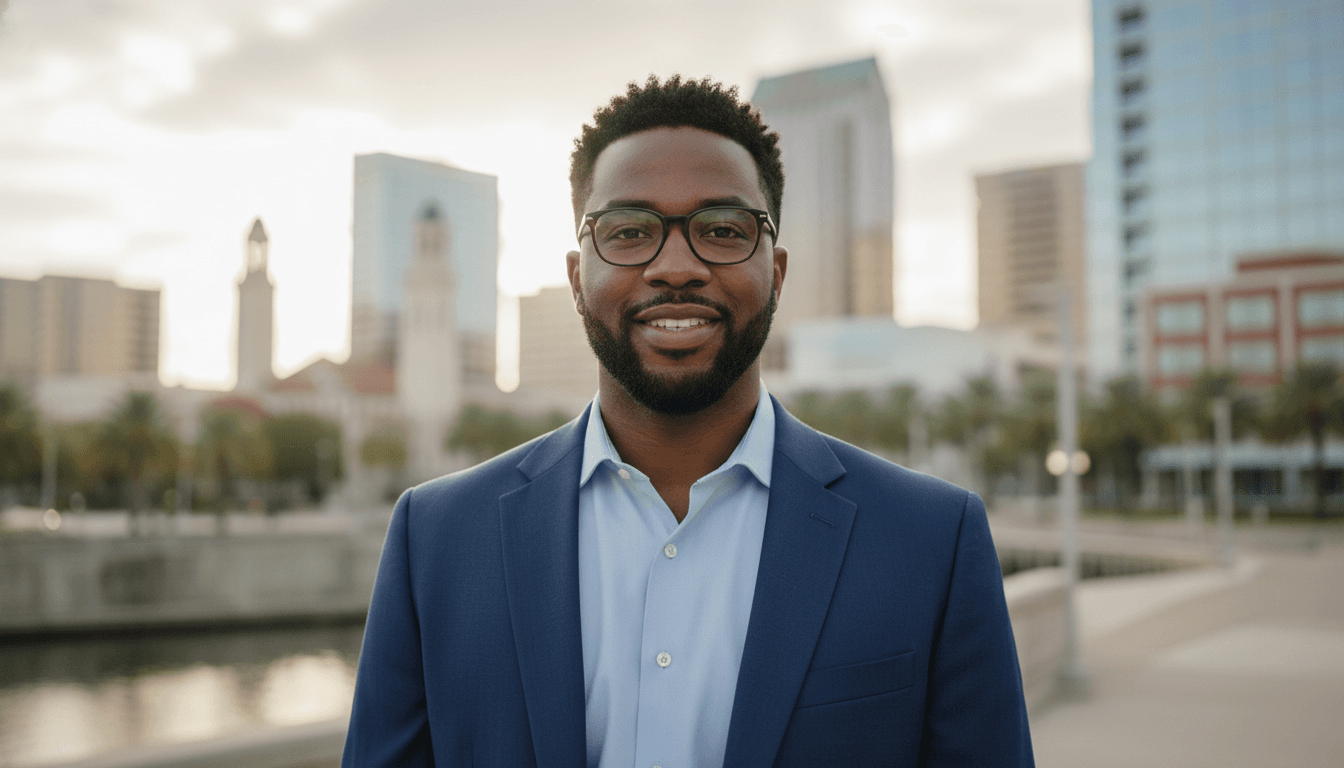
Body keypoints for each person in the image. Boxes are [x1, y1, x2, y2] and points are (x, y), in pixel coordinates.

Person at [342, 75, 1033, 768]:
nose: (676, 266)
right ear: (578, 278)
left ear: (777, 272)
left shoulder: (931, 542)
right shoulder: (434, 541)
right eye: (630, 231)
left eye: (724, 230)